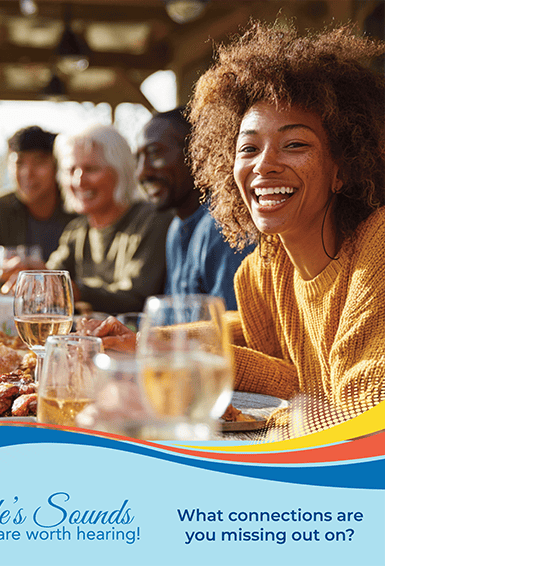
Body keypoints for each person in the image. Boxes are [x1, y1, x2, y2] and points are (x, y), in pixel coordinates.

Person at [82, 22, 385, 432]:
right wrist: (147, 344)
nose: (264, 164)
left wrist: (273, 416)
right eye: (249, 148)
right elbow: (285, 371)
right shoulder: (265, 269)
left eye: (295, 144)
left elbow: (366, 420)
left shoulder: (380, 248)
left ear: (343, 167)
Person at [45, 123, 174, 315]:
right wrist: (33, 274)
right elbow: (51, 281)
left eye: (91, 169)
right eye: (71, 170)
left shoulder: (152, 220)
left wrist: (76, 292)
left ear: (120, 171)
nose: (79, 181)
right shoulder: (76, 230)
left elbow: (136, 299)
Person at [136, 108, 253, 311]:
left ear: (198, 153)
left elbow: (230, 326)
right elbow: (176, 321)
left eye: (154, 153)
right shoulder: (177, 228)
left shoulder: (223, 225)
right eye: (137, 158)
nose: (142, 172)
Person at [0, 126, 77, 292]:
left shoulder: (77, 209)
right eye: (19, 163)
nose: (27, 173)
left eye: (39, 162)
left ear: (57, 165)